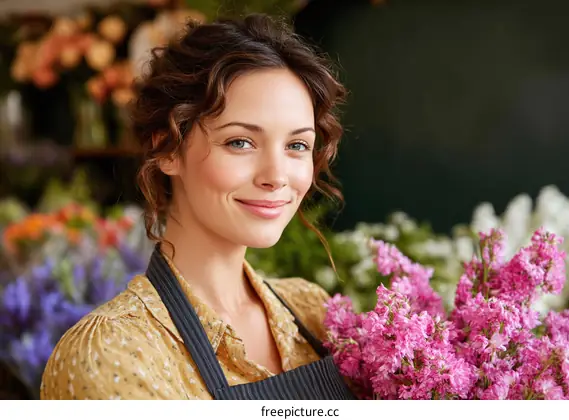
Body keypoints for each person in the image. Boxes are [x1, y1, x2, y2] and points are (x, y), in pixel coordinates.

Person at [40, 13, 353, 400]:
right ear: (167, 149)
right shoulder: (110, 352)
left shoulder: (311, 310)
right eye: (240, 142)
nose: (276, 176)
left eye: (297, 145)